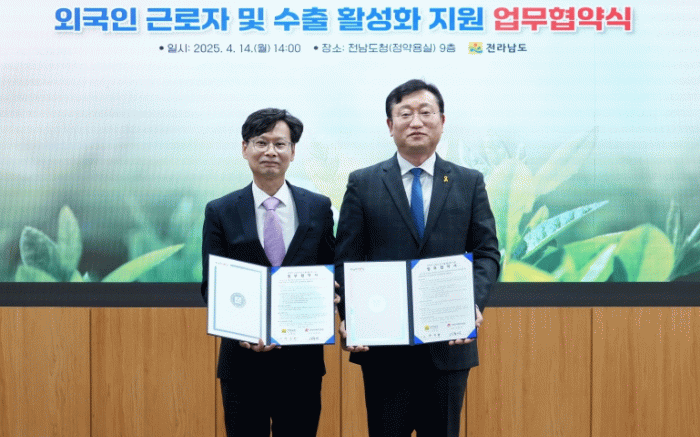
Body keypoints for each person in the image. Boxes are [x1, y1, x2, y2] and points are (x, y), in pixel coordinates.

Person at [334, 79, 501, 437]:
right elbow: (347, 259)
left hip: (448, 347)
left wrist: (471, 303)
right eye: (405, 114)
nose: (416, 122)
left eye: (426, 112)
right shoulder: (363, 183)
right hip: (384, 349)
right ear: (390, 124)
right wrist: (351, 318)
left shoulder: (469, 182)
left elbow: (486, 252)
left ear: (442, 121)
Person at [201, 108, 335, 437]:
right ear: (244, 148)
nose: (271, 151)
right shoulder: (220, 211)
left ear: (293, 151)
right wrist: (242, 331)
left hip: (302, 364)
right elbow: (212, 285)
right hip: (242, 364)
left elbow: (331, 270)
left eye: (280, 143)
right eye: (261, 142)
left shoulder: (318, 207)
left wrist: (332, 295)